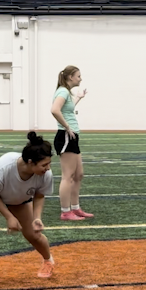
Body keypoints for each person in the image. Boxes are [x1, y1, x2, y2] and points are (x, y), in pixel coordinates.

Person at [0, 131, 55, 290]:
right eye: (44, 165)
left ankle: (48, 261)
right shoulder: (5, 166)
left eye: (49, 163)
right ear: (30, 162)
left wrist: (37, 218)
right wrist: (9, 217)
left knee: (32, 233)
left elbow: (39, 196)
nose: (48, 168)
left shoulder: (46, 175)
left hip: (18, 197)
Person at [50, 65, 93, 221]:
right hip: (66, 136)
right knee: (68, 176)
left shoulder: (66, 92)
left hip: (72, 136)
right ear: (70, 77)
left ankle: (75, 208)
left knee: (78, 174)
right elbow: (55, 110)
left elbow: (66, 110)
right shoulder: (62, 91)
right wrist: (67, 127)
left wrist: (78, 98)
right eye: (78, 76)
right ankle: (65, 211)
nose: (80, 79)